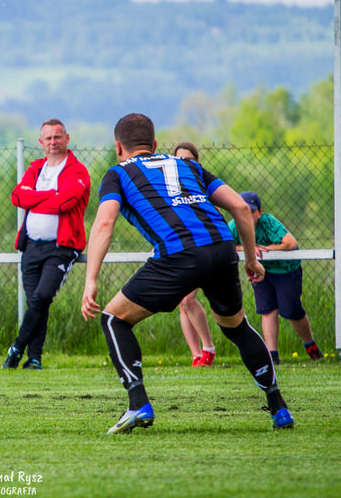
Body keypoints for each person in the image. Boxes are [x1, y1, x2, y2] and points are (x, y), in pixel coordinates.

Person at [81, 113, 292, 434]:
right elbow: (239, 207)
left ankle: (138, 403)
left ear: (118, 147)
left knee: (114, 319)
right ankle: (279, 408)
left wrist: (91, 279)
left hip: (178, 253)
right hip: (221, 248)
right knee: (236, 326)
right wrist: (251, 259)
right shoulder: (188, 165)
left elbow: (104, 223)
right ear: (153, 145)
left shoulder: (117, 174)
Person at [2, 119, 90, 370]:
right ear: (41, 142)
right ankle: (35, 359)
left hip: (62, 247)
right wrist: (51, 194)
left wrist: (34, 199)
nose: (53, 142)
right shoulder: (35, 169)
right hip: (31, 246)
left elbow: (66, 204)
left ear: (67, 138)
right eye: (48, 138)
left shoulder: (77, 171)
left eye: (58, 137)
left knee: (41, 297)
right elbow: (17, 197)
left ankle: (16, 349)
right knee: (36, 302)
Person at [227, 191, 322, 364]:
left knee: (291, 311)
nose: (247, 215)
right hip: (262, 270)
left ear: (260, 212)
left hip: (285, 270)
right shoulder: (233, 226)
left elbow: (290, 243)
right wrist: (248, 248)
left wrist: (266, 249)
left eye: (252, 211)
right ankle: (272, 355)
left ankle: (310, 345)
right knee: (267, 310)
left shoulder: (268, 223)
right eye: (243, 210)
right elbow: (226, 245)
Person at [172, 141, 216, 367]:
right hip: (179, 248)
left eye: (188, 160)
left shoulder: (203, 186)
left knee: (189, 298)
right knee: (182, 301)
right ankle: (196, 355)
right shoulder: (170, 189)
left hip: (203, 247)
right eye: (179, 160)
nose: (183, 165)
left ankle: (208, 348)